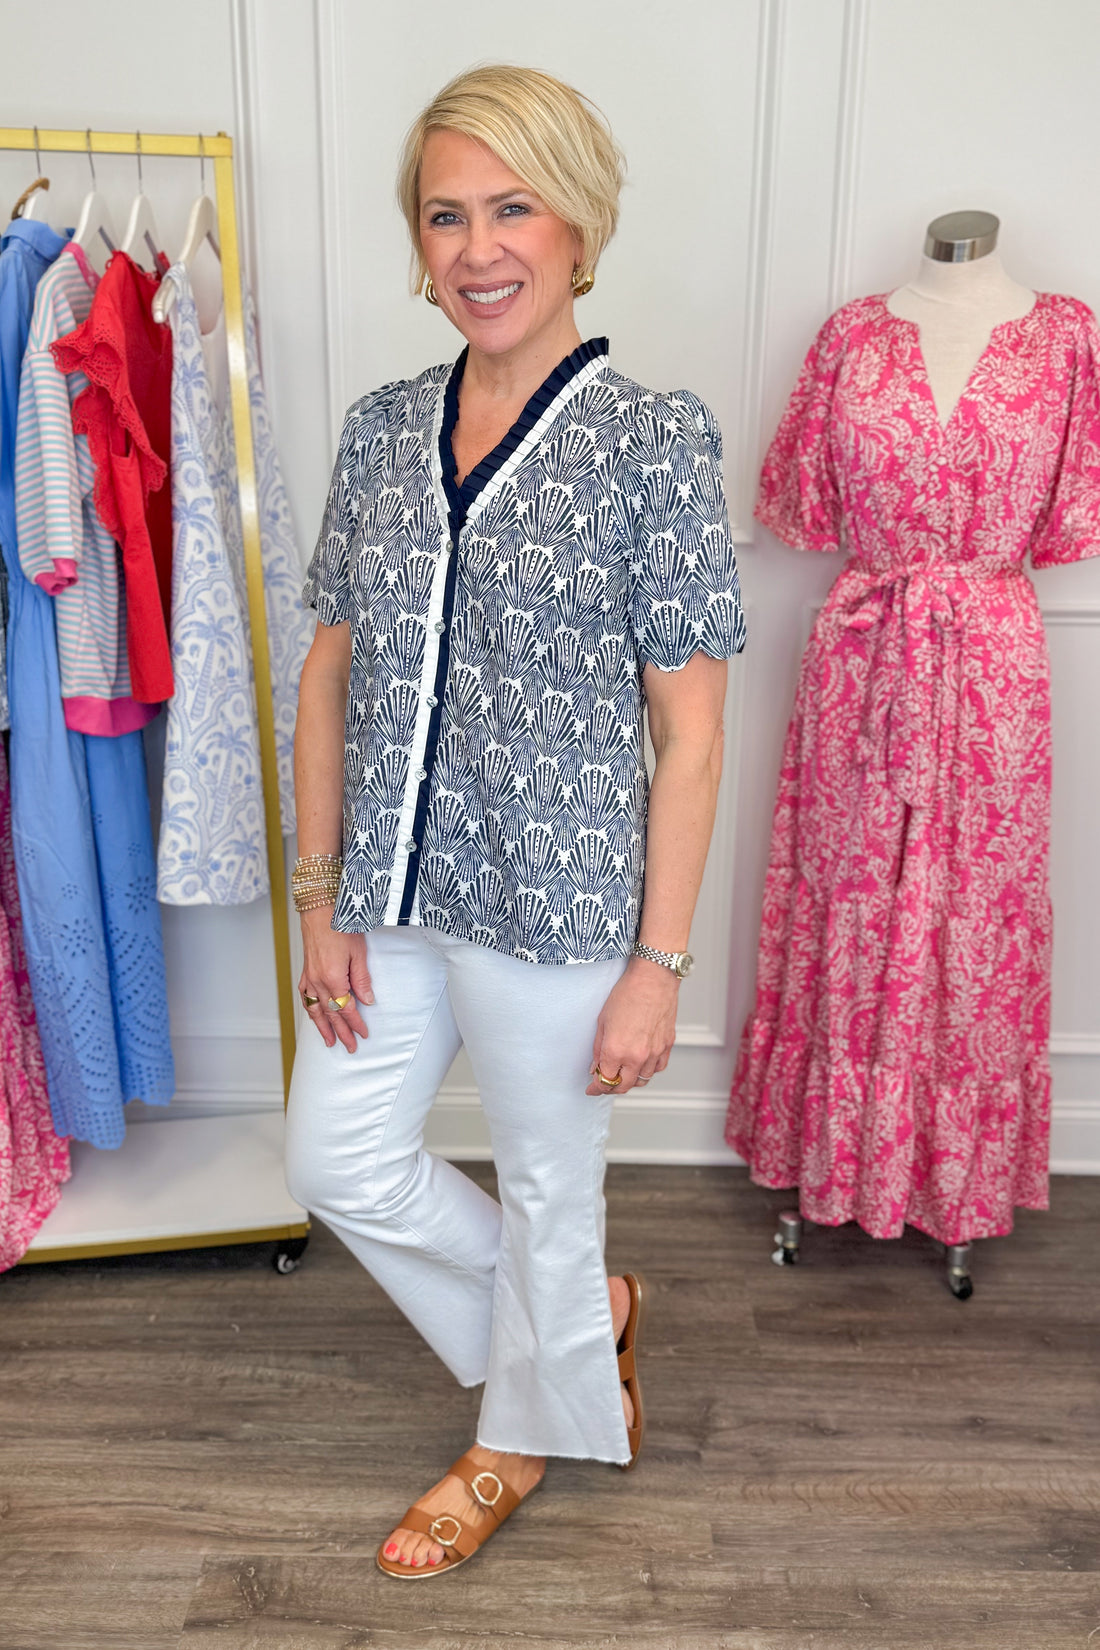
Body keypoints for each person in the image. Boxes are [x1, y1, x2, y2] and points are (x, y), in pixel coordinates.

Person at [284, 63, 746, 1579]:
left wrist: (659, 964)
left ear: (577, 225)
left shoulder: (651, 441)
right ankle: (570, 1321)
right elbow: (330, 673)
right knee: (339, 1159)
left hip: (560, 907)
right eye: (445, 216)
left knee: (555, 1187)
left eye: (512, 208)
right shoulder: (378, 428)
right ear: (417, 246)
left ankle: (513, 1437)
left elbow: (689, 735)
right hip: (394, 891)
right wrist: (320, 892)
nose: (479, 248)